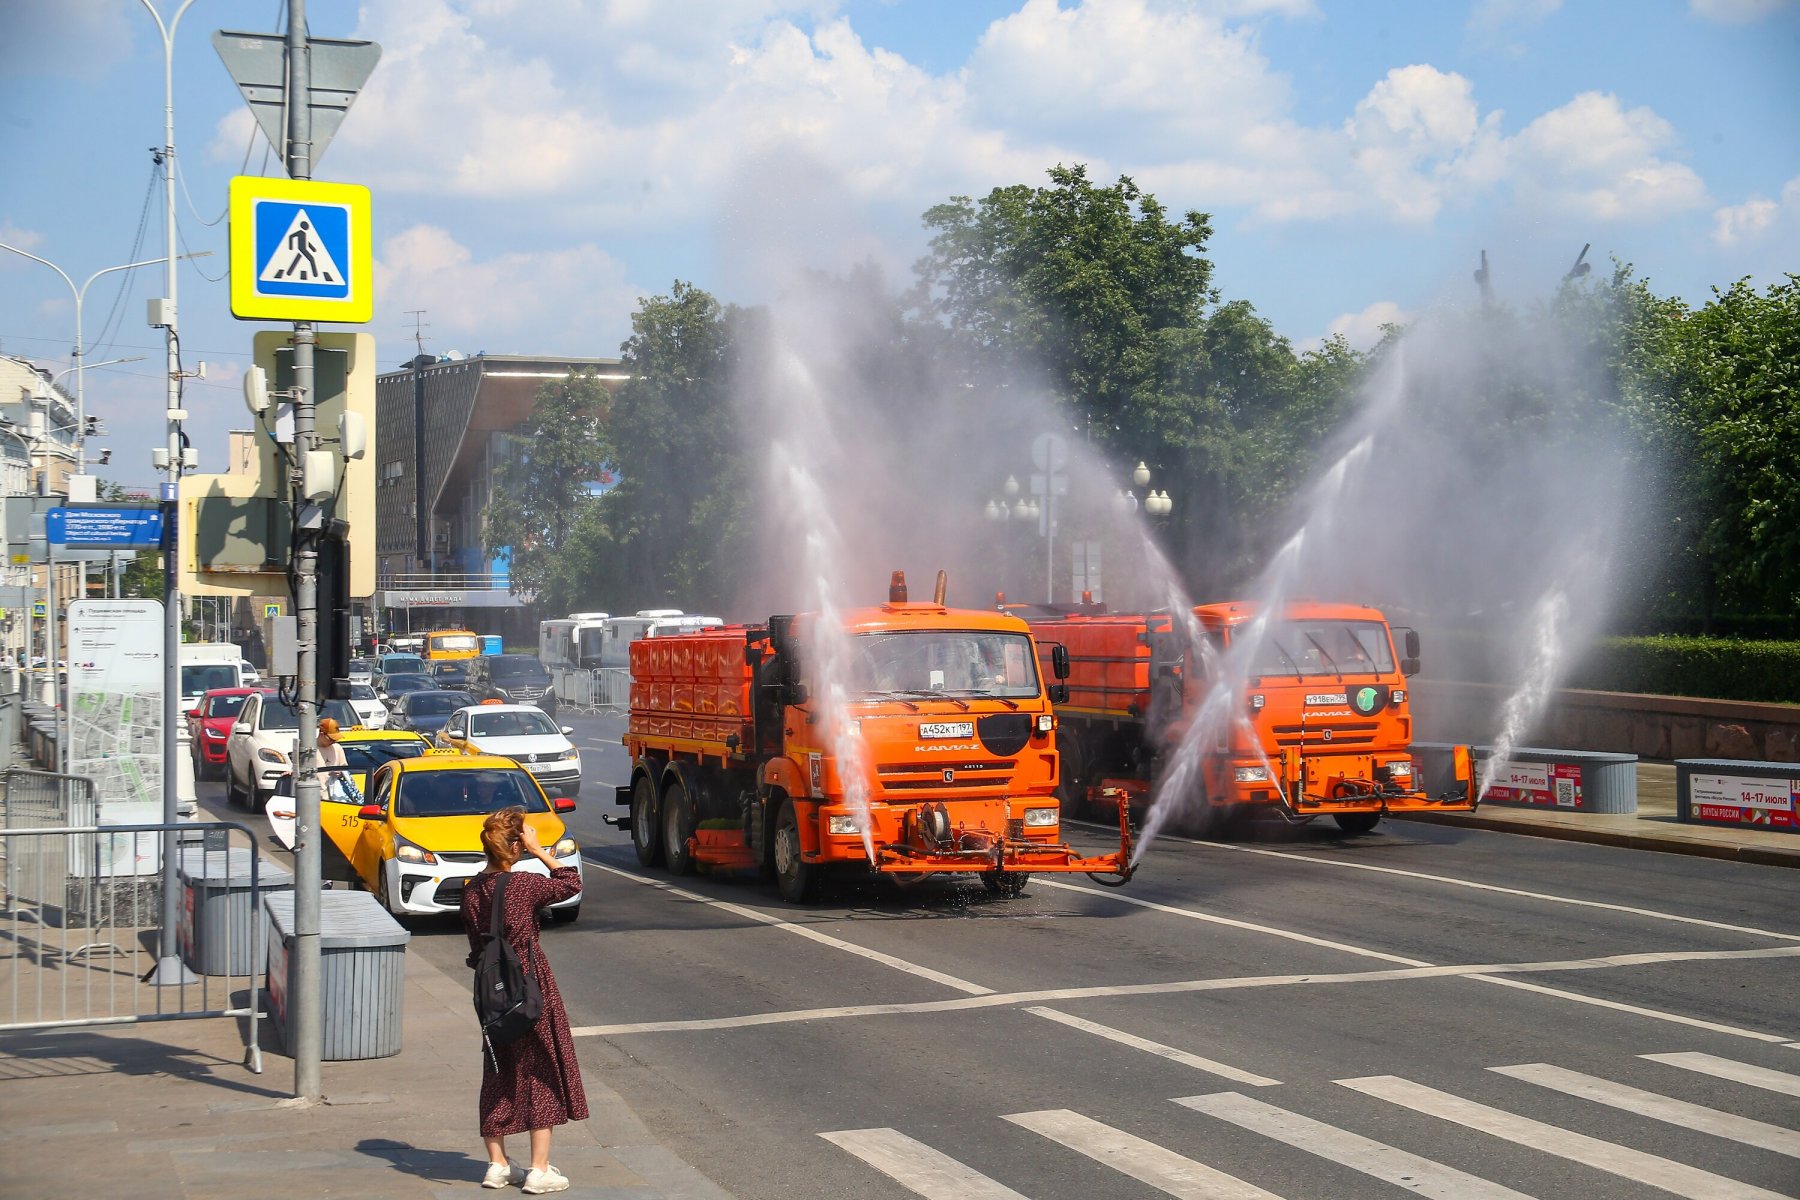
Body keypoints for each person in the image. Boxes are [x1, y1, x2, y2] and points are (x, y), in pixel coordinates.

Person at [461, 808, 586, 1193]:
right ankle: (539, 1169)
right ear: (515, 846)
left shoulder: (470, 891)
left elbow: (474, 949)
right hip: (531, 986)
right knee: (540, 1070)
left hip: (490, 993)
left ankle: (497, 1164)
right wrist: (540, 848)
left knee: (498, 1071)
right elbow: (570, 882)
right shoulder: (524, 886)